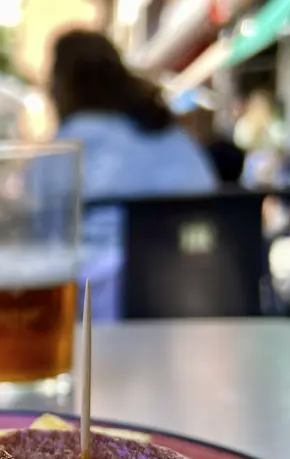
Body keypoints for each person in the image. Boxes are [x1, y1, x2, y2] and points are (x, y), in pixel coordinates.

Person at [50, 30, 218, 320]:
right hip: (200, 296)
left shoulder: (68, 144)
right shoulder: (170, 134)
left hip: (101, 321)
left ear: (61, 83)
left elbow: (39, 235)